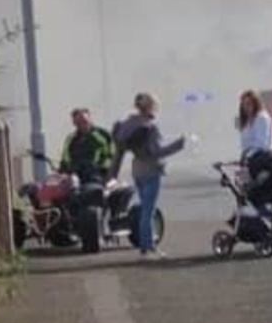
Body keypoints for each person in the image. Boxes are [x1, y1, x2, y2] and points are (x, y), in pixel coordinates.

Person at [114, 92, 184, 259]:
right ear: (152, 106)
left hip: (137, 169)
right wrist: (178, 145)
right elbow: (157, 152)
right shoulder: (150, 126)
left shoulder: (129, 124)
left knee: (145, 208)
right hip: (151, 170)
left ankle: (146, 246)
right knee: (148, 211)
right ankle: (148, 247)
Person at [235, 90, 272, 217]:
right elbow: (246, 143)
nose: (247, 107)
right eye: (244, 104)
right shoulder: (248, 120)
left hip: (260, 159)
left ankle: (259, 210)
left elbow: (261, 144)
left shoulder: (261, 118)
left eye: (249, 104)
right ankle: (248, 216)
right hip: (250, 159)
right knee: (241, 188)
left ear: (255, 103)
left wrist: (247, 155)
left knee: (252, 190)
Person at [59, 107, 115, 181]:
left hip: (96, 175)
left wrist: (103, 169)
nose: (82, 124)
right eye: (78, 122)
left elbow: (111, 153)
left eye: (84, 121)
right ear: (74, 123)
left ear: (89, 119)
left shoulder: (102, 134)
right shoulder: (70, 138)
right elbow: (65, 157)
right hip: (76, 176)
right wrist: (63, 172)